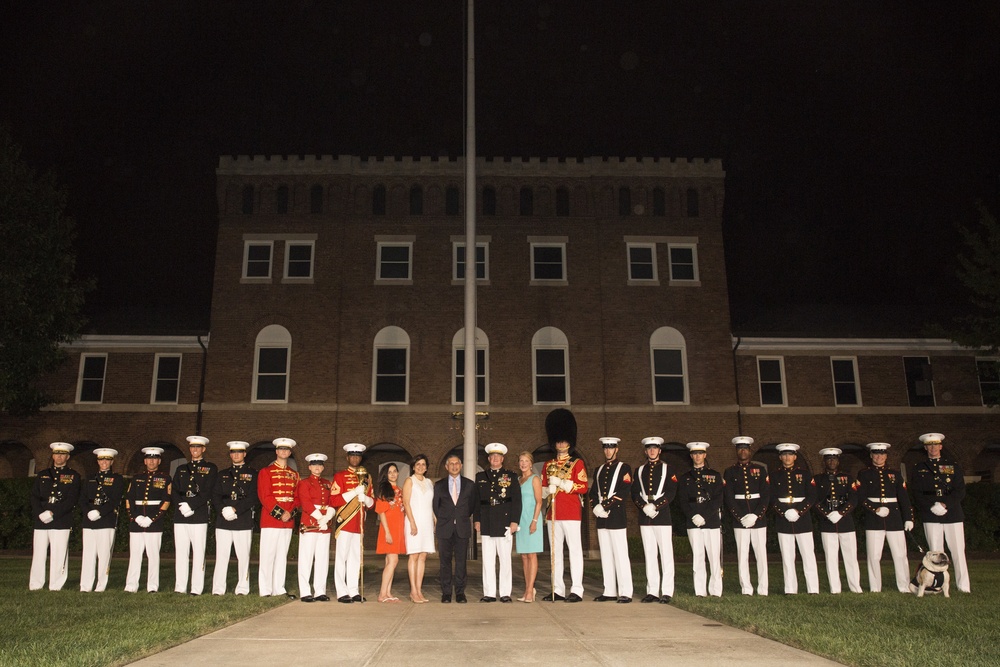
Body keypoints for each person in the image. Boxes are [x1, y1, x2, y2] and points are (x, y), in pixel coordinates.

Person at [911, 432, 969, 593]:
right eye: (929, 445)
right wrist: (932, 506)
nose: (933, 448)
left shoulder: (952, 466)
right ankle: (936, 585)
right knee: (935, 552)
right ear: (925, 448)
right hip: (931, 513)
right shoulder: (919, 468)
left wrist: (945, 504)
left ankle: (964, 585)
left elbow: (960, 491)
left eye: (935, 445)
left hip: (952, 512)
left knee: (958, 551)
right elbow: (916, 492)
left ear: (941, 446)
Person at [541, 408, 588, 602]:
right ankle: (558, 589)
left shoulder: (577, 463)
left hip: (571, 513)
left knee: (575, 552)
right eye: (558, 441)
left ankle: (577, 589)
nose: (561, 444)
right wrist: (547, 491)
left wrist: (564, 484)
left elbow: (583, 487)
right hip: (553, 513)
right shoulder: (548, 464)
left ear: (570, 442)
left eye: (564, 440)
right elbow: (543, 487)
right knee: (555, 553)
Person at [857, 442, 913, 593]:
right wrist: (875, 509)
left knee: (900, 554)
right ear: (871, 456)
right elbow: (861, 497)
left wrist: (908, 518)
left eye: (882, 454)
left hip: (894, 518)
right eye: (875, 454)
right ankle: (875, 587)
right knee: (874, 556)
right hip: (874, 518)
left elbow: (904, 498)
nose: (879, 457)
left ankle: (904, 585)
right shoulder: (864, 474)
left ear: (886, 456)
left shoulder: (895, 474)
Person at [631, 435, 678, 603]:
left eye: (655, 448)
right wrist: (643, 506)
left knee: (666, 554)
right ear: (645, 451)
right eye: (649, 448)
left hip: (662, 516)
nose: (652, 451)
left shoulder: (668, 469)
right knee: (650, 554)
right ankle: (652, 591)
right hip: (645, 517)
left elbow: (671, 492)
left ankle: (667, 591)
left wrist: (656, 506)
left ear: (660, 450)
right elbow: (635, 492)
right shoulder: (639, 470)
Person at [29, 442, 82, 591]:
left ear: (68, 457)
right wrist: (41, 513)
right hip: (41, 520)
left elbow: (72, 499)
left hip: (60, 520)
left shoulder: (73, 476)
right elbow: (34, 496)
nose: (59, 457)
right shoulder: (43, 474)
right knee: (38, 554)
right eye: (57, 454)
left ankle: (56, 585)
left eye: (62, 454)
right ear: (53, 456)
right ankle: (35, 584)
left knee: (59, 554)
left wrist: (53, 513)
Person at [474, 442, 522, 603]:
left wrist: (515, 521)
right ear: (488, 458)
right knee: (487, 559)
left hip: (504, 521)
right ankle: (489, 593)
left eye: (498, 457)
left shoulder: (511, 476)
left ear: (502, 459)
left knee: (505, 559)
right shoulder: (480, 477)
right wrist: (477, 520)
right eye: (492, 456)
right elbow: (476, 502)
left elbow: (517, 501)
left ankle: (505, 593)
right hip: (486, 521)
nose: (495, 459)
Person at [588, 436, 633, 603]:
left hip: (616, 517)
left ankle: (626, 591)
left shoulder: (624, 468)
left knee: (621, 555)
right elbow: (593, 493)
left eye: (611, 448)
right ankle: (609, 590)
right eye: (605, 448)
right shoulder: (598, 469)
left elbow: (624, 490)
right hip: (602, 518)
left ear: (617, 449)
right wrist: (595, 507)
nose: (608, 451)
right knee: (606, 555)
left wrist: (605, 506)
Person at [723, 435, 770, 596]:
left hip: (758, 518)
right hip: (740, 519)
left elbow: (765, 495)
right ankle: (746, 588)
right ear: (736, 451)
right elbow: (729, 497)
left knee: (761, 555)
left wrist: (756, 515)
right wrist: (740, 517)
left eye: (745, 448)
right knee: (742, 555)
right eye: (740, 449)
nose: (743, 451)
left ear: (750, 451)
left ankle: (763, 588)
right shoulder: (730, 472)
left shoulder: (760, 470)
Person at [770, 443, 819, 595]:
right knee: (787, 556)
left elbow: (812, 496)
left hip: (802, 519)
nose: (787, 457)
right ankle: (790, 589)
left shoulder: (805, 474)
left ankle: (813, 588)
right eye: (784, 455)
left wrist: (799, 511)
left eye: (790, 454)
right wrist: (784, 512)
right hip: (783, 520)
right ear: (780, 457)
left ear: (795, 457)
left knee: (808, 555)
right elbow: (771, 497)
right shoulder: (774, 475)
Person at [171, 434, 217, 595]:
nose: (195, 450)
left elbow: (208, 491)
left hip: (198, 515)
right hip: (181, 514)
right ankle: (180, 586)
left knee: (198, 553)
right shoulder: (181, 469)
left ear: (203, 449)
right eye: (192, 447)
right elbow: (174, 489)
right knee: (181, 552)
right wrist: (181, 505)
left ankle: (196, 587)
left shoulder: (210, 468)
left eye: (198, 447)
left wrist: (192, 505)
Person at [677, 442, 724, 597]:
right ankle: (700, 591)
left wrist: (705, 516)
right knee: (698, 557)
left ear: (705, 455)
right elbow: (682, 501)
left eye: (700, 454)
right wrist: (693, 516)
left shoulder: (715, 475)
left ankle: (716, 590)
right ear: (691, 456)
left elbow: (718, 499)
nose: (697, 456)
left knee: (714, 557)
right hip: (693, 520)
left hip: (711, 521)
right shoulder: (685, 478)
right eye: (694, 454)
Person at [812, 447, 862, 594]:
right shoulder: (817, 479)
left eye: (834, 459)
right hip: (827, 522)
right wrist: (827, 514)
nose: (831, 461)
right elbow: (814, 500)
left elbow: (853, 499)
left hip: (846, 521)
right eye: (828, 459)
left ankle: (855, 587)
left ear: (838, 461)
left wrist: (841, 513)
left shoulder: (847, 478)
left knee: (851, 556)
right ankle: (835, 588)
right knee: (830, 557)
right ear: (824, 461)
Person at [212, 440, 258, 596]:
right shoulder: (222, 474)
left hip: (242, 520)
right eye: (233, 452)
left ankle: (243, 588)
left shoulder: (253, 474)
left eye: (239, 452)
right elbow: (215, 495)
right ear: (230, 454)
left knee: (243, 556)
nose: (236, 455)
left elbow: (253, 497)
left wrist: (235, 509)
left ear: (244, 454)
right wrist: (222, 510)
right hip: (223, 519)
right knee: (221, 556)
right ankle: (218, 589)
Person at [331, 442, 374, 603]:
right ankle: (342, 591)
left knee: (356, 558)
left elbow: (372, 503)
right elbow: (334, 500)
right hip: (345, 521)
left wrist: (366, 499)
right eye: (352, 455)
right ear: (347, 457)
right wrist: (353, 493)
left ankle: (353, 589)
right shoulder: (340, 476)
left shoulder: (367, 477)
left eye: (358, 455)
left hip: (358, 523)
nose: (355, 458)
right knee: (341, 557)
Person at [124, 446, 171, 593]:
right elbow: (129, 499)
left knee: (153, 556)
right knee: (135, 556)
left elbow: (166, 500)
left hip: (154, 523)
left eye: (154, 458)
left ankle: (152, 586)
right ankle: (131, 585)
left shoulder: (165, 478)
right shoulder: (137, 478)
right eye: (149, 459)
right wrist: (134, 516)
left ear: (159, 461)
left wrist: (152, 518)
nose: (152, 461)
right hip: (137, 523)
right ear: (145, 461)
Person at [257, 437, 300, 598]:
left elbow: (297, 498)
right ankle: (265, 589)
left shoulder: (294, 474)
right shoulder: (265, 472)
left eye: (286, 450)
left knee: (282, 556)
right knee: (267, 555)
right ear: (276, 451)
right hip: (271, 520)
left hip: (287, 522)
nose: (283, 452)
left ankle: (279, 588)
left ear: (289, 453)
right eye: (280, 449)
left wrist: (289, 513)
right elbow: (265, 496)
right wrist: (280, 513)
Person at [79, 447, 125, 593]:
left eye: (107, 459)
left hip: (106, 520)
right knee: (88, 555)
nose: (104, 462)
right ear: (97, 461)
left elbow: (115, 500)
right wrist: (89, 512)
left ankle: (101, 585)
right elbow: (82, 499)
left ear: (112, 461)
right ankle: (85, 586)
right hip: (89, 520)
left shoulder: (117, 479)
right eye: (101, 459)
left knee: (104, 554)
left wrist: (100, 512)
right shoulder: (90, 478)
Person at [432, 454, 476, 603]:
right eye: (451, 464)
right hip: (444, 528)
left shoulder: (470, 485)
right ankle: (446, 592)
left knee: (461, 561)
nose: (454, 466)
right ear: (446, 467)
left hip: (462, 528)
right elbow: (436, 507)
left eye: (457, 463)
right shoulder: (439, 485)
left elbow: (471, 506)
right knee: (444, 562)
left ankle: (460, 592)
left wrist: (460, 517)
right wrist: (447, 518)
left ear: (461, 465)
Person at [297, 453, 334, 602]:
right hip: (310, 522)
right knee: (306, 558)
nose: (317, 467)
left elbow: (332, 502)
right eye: (314, 465)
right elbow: (306, 503)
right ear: (309, 467)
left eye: (320, 465)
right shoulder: (304, 483)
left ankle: (320, 591)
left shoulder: (328, 483)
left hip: (324, 524)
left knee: (322, 559)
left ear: (323, 467)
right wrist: (320, 518)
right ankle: (305, 591)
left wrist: (328, 517)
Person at [403, 453, 435, 603]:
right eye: (418, 464)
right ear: (413, 467)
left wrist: (435, 519)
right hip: (414, 521)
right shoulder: (410, 481)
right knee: (414, 555)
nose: (421, 467)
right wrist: (412, 522)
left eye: (423, 464)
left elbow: (432, 504)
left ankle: (419, 590)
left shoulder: (429, 482)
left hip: (427, 522)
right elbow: (406, 503)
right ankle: (413, 591)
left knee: (423, 556)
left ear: (426, 467)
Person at [375, 462, 405, 603]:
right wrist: (387, 532)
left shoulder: (399, 489)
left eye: (395, 471)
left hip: (398, 528)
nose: (393, 474)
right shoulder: (384, 490)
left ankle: (387, 592)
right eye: (389, 472)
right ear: (385, 475)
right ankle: (382, 594)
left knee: (390, 561)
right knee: (393, 560)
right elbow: (381, 512)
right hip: (389, 528)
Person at [515, 451, 543, 603]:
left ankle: (530, 591)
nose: (523, 463)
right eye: (521, 460)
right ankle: (528, 589)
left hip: (532, 519)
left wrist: (534, 520)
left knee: (532, 555)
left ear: (531, 463)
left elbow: (539, 501)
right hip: (521, 521)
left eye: (526, 461)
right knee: (524, 556)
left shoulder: (535, 479)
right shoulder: (519, 480)